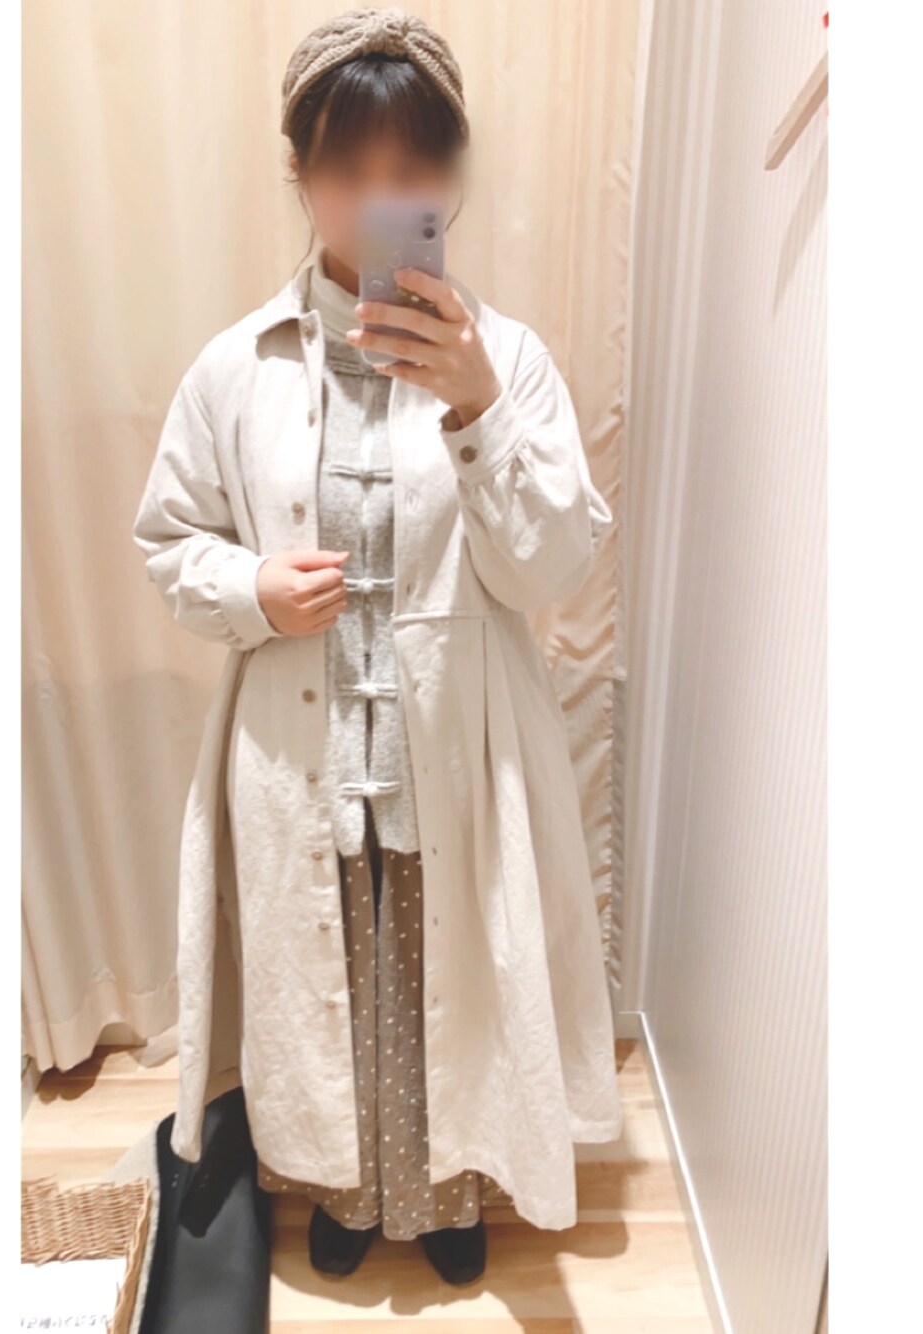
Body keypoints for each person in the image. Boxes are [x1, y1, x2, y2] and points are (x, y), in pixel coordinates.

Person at [133, 3, 623, 1290]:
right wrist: (251, 586)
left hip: (454, 740)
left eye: (412, 167)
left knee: (444, 966)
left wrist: (475, 409)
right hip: (295, 745)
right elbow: (169, 542)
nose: (378, 197)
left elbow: (552, 568)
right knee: (325, 971)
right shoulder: (234, 367)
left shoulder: (504, 359)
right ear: (299, 173)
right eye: (347, 167)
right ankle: (346, 1186)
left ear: (449, 180)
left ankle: (448, 1186)